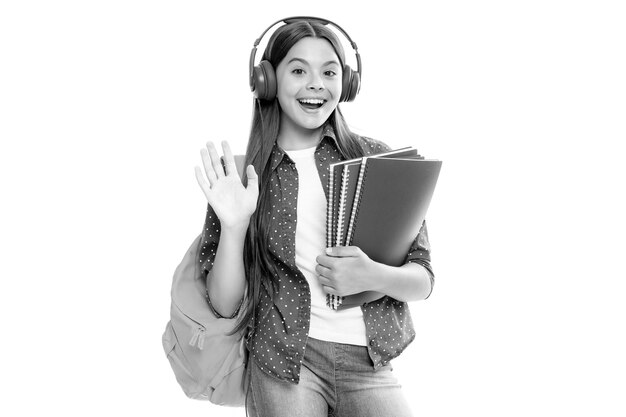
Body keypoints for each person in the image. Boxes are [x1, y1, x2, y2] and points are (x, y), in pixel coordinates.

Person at [193, 17, 434, 417]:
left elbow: (424, 278)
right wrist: (234, 227)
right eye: (298, 70)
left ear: (348, 83)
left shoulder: (377, 159)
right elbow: (223, 304)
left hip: (370, 365)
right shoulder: (243, 175)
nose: (315, 83)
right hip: (285, 364)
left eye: (329, 72)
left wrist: (372, 275)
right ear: (267, 80)